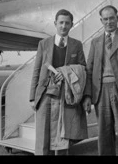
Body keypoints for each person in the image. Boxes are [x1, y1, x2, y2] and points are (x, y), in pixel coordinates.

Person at [82, 5, 118, 156]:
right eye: (106, 19)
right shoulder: (95, 42)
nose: (109, 22)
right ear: (101, 20)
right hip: (100, 91)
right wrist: (88, 95)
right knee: (104, 135)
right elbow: (89, 71)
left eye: (112, 18)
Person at [29, 9, 88, 155]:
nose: (63, 26)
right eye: (61, 22)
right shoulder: (44, 44)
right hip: (45, 95)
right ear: (55, 23)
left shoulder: (76, 45)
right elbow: (37, 70)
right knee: (42, 138)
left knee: (63, 138)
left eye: (67, 23)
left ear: (71, 25)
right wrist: (32, 96)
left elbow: (83, 70)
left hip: (66, 95)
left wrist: (65, 71)